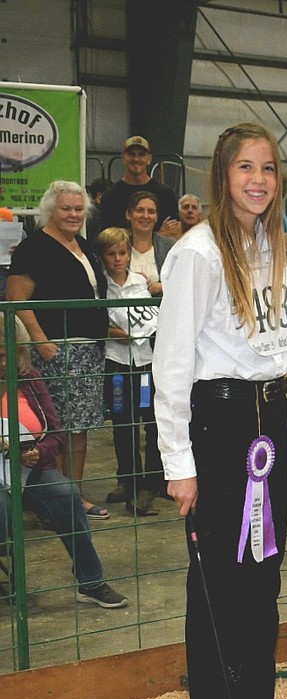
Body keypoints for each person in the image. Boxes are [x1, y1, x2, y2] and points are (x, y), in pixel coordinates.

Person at [153, 122, 287, 699]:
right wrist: (177, 460)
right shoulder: (198, 254)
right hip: (220, 426)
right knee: (219, 590)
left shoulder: (271, 244)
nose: (258, 180)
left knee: (262, 586)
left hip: (269, 424)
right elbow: (172, 362)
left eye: (268, 169)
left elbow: (284, 350)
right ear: (222, 176)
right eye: (245, 167)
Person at [0, 316, 127, 608]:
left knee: (67, 494)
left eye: (8, 354)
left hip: (28, 470)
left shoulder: (30, 380)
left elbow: (56, 433)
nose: (4, 363)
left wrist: (39, 453)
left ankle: (91, 581)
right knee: (3, 508)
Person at [6, 180, 111, 520]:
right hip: (56, 351)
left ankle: (74, 497)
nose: (73, 214)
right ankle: (57, 501)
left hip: (88, 351)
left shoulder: (82, 244)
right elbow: (16, 298)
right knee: (59, 428)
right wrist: (39, 338)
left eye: (79, 209)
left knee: (79, 428)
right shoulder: (33, 248)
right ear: (51, 210)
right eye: (66, 208)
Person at [95, 227, 163, 516]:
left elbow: (153, 314)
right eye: (111, 254)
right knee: (123, 425)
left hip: (146, 361)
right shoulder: (100, 288)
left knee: (152, 421)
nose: (118, 259)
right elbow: (98, 322)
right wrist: (113, 332)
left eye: (122, 253)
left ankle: (153, 480)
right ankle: (128, 479)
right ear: (102, 257)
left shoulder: (141, 282)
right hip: (118, 361)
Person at [100, 136, 181, 236]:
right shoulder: (110, 197)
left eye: (141, 154)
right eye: (131, 154)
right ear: (123, 158)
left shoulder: (166, 195)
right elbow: (108, 238)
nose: (136, 159)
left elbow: (174, 233)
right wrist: (159, 235)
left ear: (149, 159)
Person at [125, 191, 176, 297]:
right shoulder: (117, 245)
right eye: (140, 210)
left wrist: (163, 287)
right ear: (128, 214)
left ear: (157, 217)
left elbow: (182, 282)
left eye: (151, 211)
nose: (145, 216)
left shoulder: (170, 246)